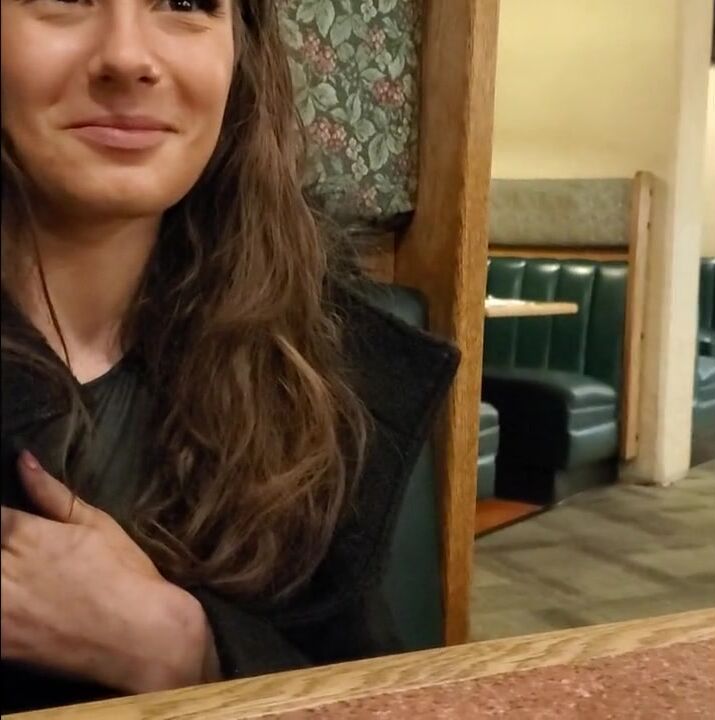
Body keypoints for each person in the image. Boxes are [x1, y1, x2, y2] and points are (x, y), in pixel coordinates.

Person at [0, 0, 459, 713]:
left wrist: (184, 646)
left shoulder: (321, 368)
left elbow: (374, 693)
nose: (127, 56)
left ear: (239, 54)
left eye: (186, 2)